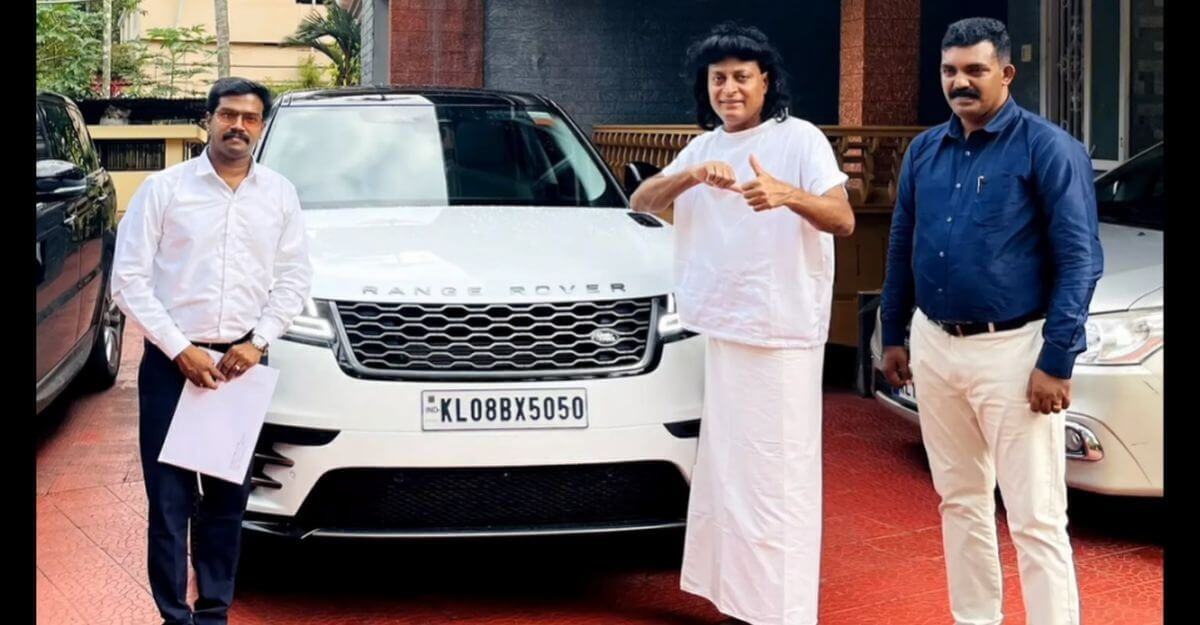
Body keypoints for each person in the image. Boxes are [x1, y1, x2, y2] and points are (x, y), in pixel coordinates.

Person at [879, 17, 1103, 625]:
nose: (961, 82)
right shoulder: (925, 150)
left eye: (975, 70)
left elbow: (1080, 259)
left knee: (1035, 516)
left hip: (1015, 351)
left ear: (1006, 73)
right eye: (950, 71)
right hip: (934, 344)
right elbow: (902, 244)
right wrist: (893, 332)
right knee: (960, 500)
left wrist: (1057, 359)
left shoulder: (1047, 149)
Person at [630, 22, 855, 625]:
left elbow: (842, 219)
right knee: (728, 476)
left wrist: (788, 195)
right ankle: (736, 600)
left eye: (741, 77)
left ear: (766, 82)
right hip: (724, 329)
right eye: (718, 78)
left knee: (778, 480)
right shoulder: (702, 148)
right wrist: (691, 175)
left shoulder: (800, 139)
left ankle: (782, 611)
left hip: (781, 335)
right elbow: (641, 202)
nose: (729, 89)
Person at [111, 77, 313, 625]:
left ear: (261, 126)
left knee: (227, 501)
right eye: (228, 115)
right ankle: (174, 616)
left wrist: (258, 341)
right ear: (208, 120)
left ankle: (214, 613)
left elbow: (294, 279)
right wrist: (180, 349)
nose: (238, 126)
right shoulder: (165, 189)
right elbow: (127, 280)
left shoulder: (279, 195)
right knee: (169, 502)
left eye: (250, 118)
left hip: (239, 368)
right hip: (172, 365)